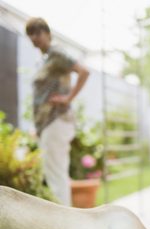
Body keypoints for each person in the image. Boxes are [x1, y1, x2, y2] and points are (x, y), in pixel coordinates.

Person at [25, 17, 90, 206]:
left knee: (55, 175)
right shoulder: (45, 59)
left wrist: (68, 98)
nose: (34, 38)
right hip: (48, 124)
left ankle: (62, 224)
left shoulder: (56, 53)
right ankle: (63, 221)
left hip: (56, 120)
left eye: (37, 33)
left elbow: (84, 71)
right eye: (30, 34)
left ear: (47, 33)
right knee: (55, 173)